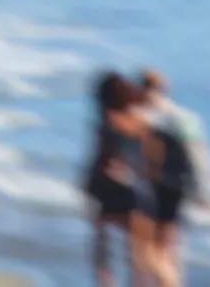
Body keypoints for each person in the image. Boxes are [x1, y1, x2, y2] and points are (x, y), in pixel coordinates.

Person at [141, 70, 210, 285]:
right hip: (176, 187)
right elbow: (202, 158)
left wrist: (206, 192)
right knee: (171, 250)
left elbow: (197, 156)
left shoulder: (150, 119)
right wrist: (207, 192)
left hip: (162, 189)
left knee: (154, 252)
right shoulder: (187, 118)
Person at [84, 71, 151, 287]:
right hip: (137, 189)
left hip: (108, 187)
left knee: (103, 250)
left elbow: (102, 158)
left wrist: (89, 185)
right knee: (137, 252)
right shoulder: (141, 124)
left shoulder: (108, 122)